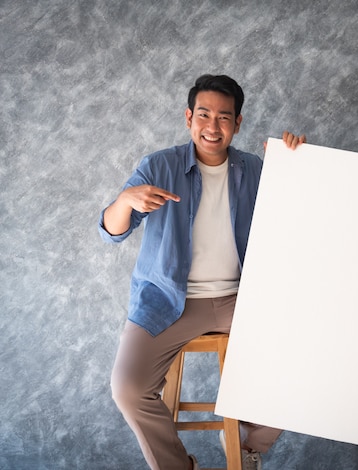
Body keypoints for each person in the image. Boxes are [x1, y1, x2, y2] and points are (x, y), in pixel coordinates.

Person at [99, 74, 306, 470]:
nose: (213, 126)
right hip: (166, 302)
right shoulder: (158, 165)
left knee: (303, 357)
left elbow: (295, 222)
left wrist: (296, 166)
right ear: (189, 117)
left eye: (224, 117)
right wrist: (126, 199)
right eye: (204, 115)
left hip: (240, 300)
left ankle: (249, 450)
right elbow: (112, 230)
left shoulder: (255, 169)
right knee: (127, 389)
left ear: (238, 123)